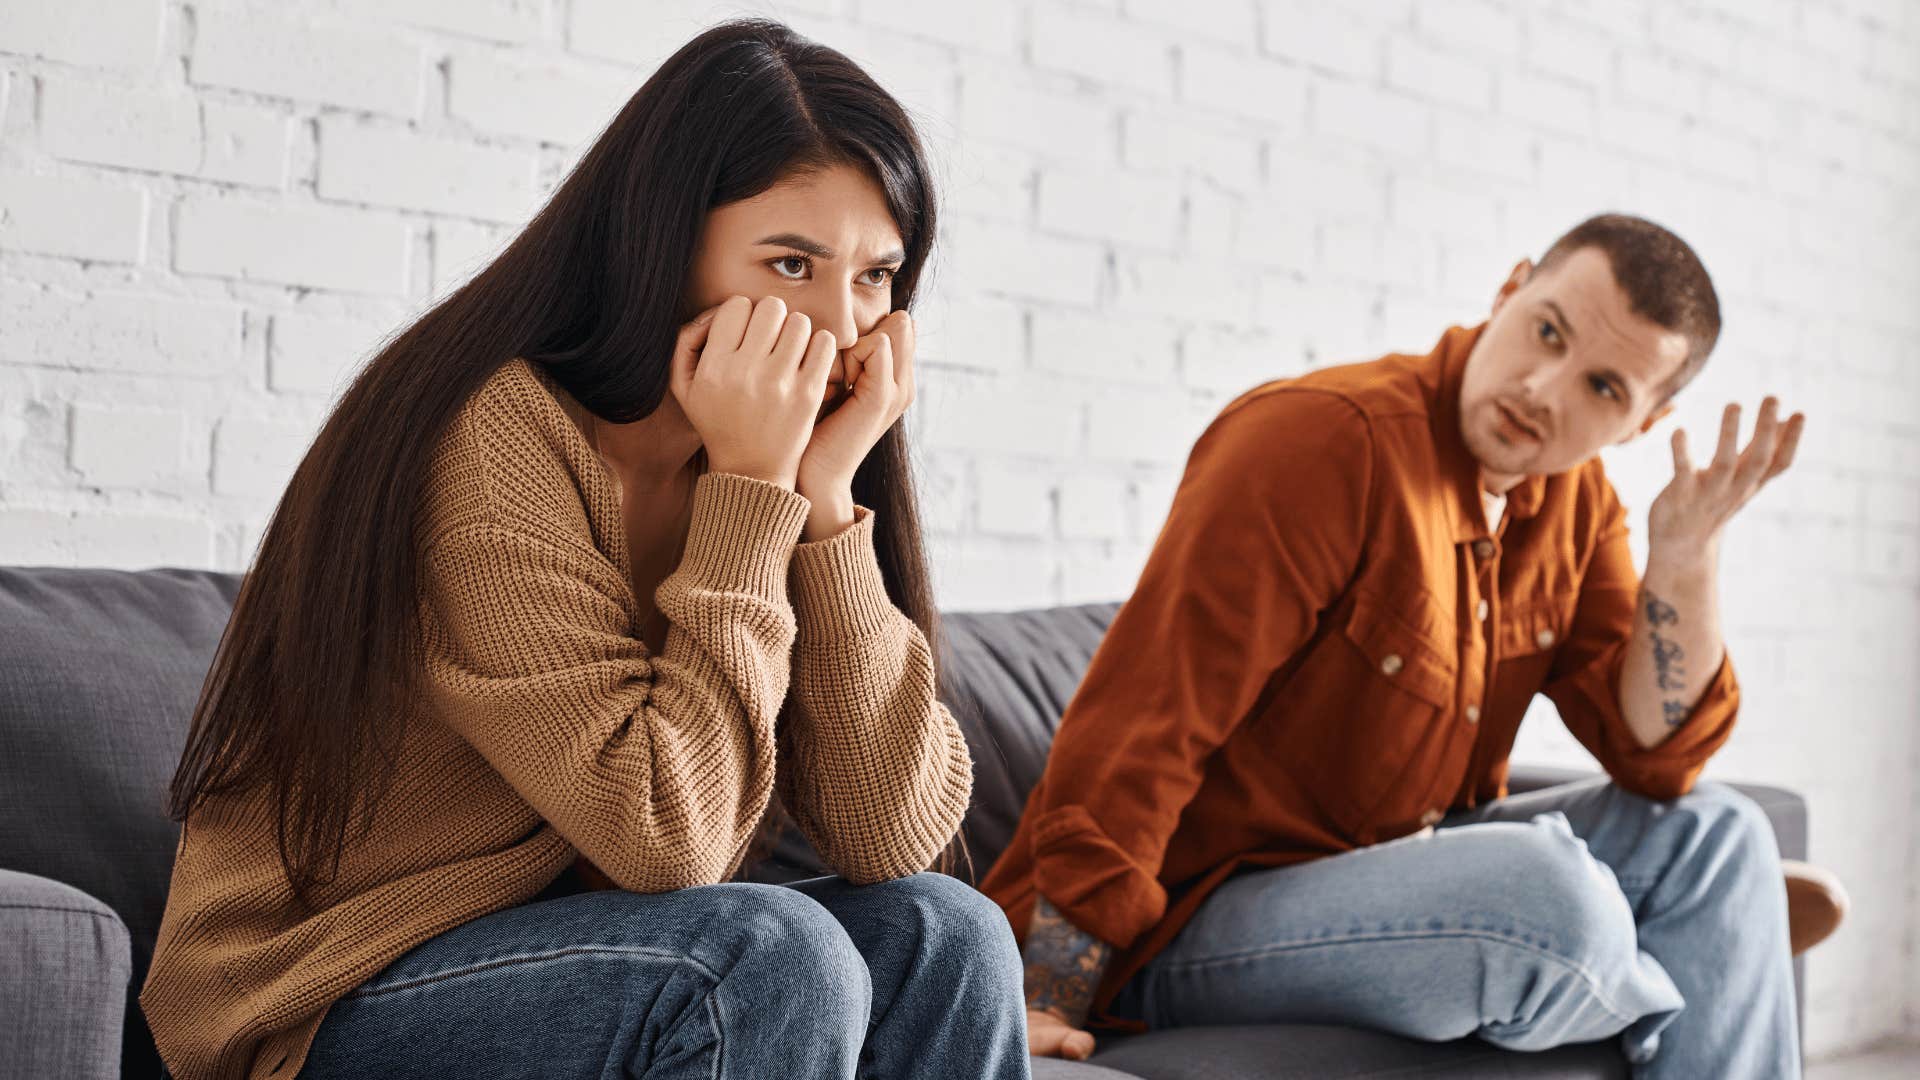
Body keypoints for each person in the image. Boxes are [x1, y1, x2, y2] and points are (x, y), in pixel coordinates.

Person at [142, 20, 1027, 1080]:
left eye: (877, 276)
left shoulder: (772, 462)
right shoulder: (487, 435)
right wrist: (752, 496)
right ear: (665, 241)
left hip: (594, 961)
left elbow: (889, 837)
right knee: (764, 958)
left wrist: (825, 502)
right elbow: (665, 838)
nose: (841, 325)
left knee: (950, 935)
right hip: (327, 993)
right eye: (791, 263)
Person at [988, 214, 1842, 1077]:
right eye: (1546, 331)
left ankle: (1697, 931)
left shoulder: (1579, 509)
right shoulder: (1320, 443)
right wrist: (1047, 988)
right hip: (1196, 915)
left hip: (1403, 885)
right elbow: (1145, 725)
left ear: (1643, 424)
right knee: (1548, 898)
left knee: (1722, 833)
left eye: (1605, 388)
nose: (1544, 388)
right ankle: (1703, 956)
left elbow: (1656, 759)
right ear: (1509, 289)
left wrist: (1686, 559)